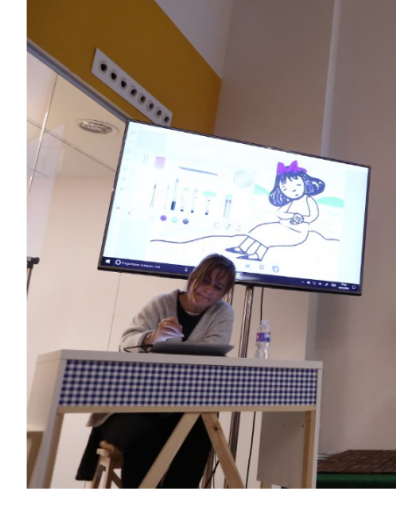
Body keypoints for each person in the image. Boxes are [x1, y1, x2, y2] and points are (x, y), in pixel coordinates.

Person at [75, 254, 236, 488]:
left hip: (180, 408)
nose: (208, 290)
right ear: (193, 277)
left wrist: (167, 349)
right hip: (130, 406)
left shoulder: (223, 313)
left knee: (201, 437)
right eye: (205, 281)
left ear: (224, 293)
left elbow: (210, 355)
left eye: (218, 287)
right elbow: (125, 343)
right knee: (144, 436)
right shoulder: (160, 304)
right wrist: (152, 337)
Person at [225, 160, 326, 261]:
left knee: (269, 236)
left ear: (305, 183)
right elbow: (280, 213)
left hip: (296, 232)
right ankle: (243, 248)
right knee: (260, 229)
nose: (292, 190)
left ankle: (258, 255)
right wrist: (292, 215)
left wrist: (302, 218)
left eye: (298, 185)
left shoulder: (308, 200)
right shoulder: (290, 202)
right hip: (282, 226)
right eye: (285, 189)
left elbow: (313, 215)